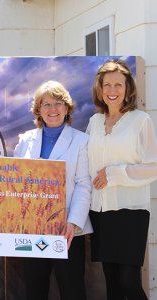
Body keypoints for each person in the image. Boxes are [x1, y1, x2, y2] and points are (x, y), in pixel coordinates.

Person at [14, 80, 92, 300]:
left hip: (67, 231)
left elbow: (84, 184)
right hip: (32, 230)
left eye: (58, 103)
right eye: (46, 104)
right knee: (34, 291)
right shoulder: (25, 140)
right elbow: (16, 183)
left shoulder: (81, 141)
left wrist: (73, 221)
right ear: (38, 110)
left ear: (67, 108)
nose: (52, 109)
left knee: (72, 290)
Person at [87, 59, 157, 300]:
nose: (112, 91)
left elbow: (153, 167)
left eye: (118, 85)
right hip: (101, 210)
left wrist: (115, 174)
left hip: (131, 211)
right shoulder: (94, 122)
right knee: (112, 283)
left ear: (128, 88)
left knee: (129, 281)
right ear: (100, 88)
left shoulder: (140, 121)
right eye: (107, 85)